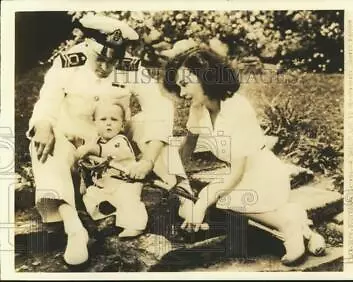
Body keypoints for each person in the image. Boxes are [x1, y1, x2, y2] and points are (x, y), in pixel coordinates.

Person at [27, 14, 192, 266]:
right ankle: (74, 228)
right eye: (101, 59)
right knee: (43, 145)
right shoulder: (69, 62)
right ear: (88, 45)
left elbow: (158, 107)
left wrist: (147, 159)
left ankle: (184, 196)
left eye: (112, 60)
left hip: (115, 142)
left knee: (151, 123)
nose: (106, 66)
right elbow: (47, 99)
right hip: (75, 144)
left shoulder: (129, 65)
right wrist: (43, 124)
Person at [163, 48, 326, 265]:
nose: (181, 93)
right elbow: (187, 148)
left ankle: (287, 227)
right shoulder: (198, 108)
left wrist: (201, 202)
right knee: (206, 206)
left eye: (185, 84)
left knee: (218, 201)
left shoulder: (235, 107)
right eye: (178, 86)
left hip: (264, 176)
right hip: (241, 178)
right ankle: (303, 228)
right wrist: (176, 179)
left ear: (205, 76)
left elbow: (238, 171)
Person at [76, 101, 147, 238]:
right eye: (103, 119)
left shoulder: (120, 140)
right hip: (105, 186)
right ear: (95, 123)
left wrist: (87, 149)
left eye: (114, 120)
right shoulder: (95, 141)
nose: (108, 123)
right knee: (90, 194)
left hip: (125, 182)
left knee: (128, 198)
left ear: (122, 125)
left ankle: (135, 225)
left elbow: (105, 151)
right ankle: (109, 212)